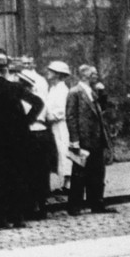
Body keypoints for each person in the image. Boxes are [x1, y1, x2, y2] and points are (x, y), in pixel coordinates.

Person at [0, 52, 43, 229]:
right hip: (16, 139)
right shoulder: (15, 87)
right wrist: (26, 122)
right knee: (16, 176)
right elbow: (38, 103)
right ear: (5, 69)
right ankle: (17, 217)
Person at [66, 64, 116, 215]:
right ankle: (74, 206)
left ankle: (97, 204)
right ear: (85, 75)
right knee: (79, 174)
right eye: (94, 74)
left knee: (97, 173)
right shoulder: (75, 92)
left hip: (97, 138)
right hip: (83, 139)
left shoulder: (93, 92)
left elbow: (102, 110)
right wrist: (74, 140)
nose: (96, 76)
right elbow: (71, 117)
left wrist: (102, 94)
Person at [18, 57, 51, 220]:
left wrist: (26, 121)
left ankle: (32, 206)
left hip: (31, 135)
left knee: (30, 171)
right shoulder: (39, 98)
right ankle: (41, 205)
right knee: (41, 171)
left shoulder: (24, 100)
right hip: (42, 133)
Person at [45, 60, 72, 193]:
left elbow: (62, 110)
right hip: (53, 125)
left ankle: (68, 184)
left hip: (61, 125)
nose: (48, 73)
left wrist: (50, 116)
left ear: (58, 74)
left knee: (63, 150)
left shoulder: (62, 90)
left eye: (51, 71)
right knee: (57, 152)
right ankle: (64, 183)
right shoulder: (53, 88)